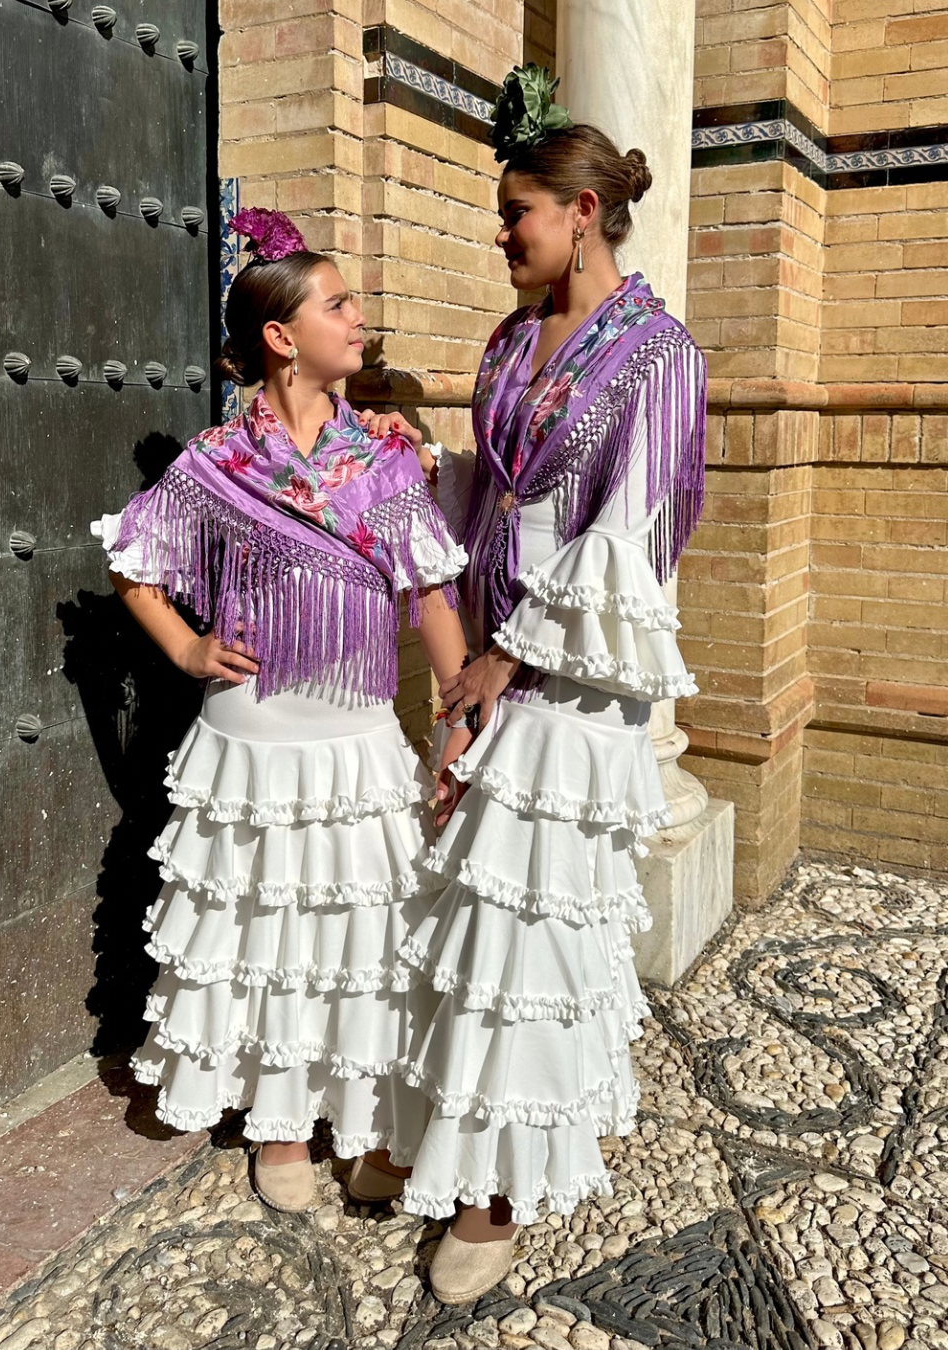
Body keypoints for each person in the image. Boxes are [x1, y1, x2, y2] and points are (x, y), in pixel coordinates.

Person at [361, 66, 706, 1303]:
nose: (500, 234)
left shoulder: (661, 356)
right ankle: (444, 1137)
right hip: (496, 661)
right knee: (457, 915)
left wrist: (518, 653)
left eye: (518, 213)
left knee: (530, 933)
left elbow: (632, 537)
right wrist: (432, 464)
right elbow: (504, 493)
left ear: (585, 213)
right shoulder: (511, 339)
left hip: (569, 683)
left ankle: (498, 1196)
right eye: (502, 212)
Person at [91, 209, 470, 1213]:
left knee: (362, 936)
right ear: (280, 335)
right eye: (337, 303)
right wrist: (185, 647)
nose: (359, 318)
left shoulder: (388, 459)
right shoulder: (216, 463)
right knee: (266, 935)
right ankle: (283, 1124)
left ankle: (365, 1111)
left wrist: (463, 712)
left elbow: (428, 593)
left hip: (355, 740)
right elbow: (134, 569)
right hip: (252, 741)